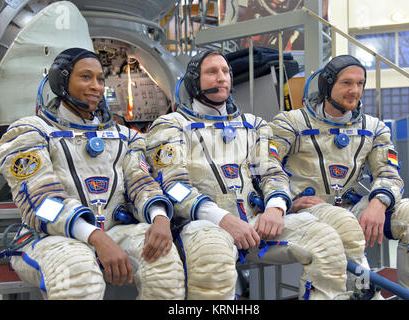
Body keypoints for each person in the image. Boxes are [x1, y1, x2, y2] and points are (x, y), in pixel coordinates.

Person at [146, 49, 353, 300]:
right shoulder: (170, 125)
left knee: (325, 241)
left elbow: (273, 173)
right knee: (213, 260)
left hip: (255, 223)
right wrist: (223, 219)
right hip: (202, 225)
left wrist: (275, 208)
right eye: (211, 72)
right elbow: (173, 187)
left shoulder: (254, 125)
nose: (221, 78)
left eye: (225, 72)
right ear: (193, 81)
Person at [0, 48, 185, 300]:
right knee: (78, 273)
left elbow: (141, 183)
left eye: (100, 79)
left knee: (164, 262)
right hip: (48, 237)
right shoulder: (30, 132)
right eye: (85, 77)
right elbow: (42, 203)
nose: (96, 86)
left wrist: (159, 217)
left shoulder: (123, 136)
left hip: (112, 230)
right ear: (60, 81)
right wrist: (96, 237)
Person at [270, 54, 409, 299]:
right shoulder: (290, 123)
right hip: (303, 213)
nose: (355, 90)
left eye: (360, 83)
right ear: (327, 86)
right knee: (343, 223)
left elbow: (389, 173)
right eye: (346, 83)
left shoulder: (373, 128)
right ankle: (358, 292)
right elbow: (265, 169)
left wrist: (378, 202)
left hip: (349, 209)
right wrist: (287, 202)